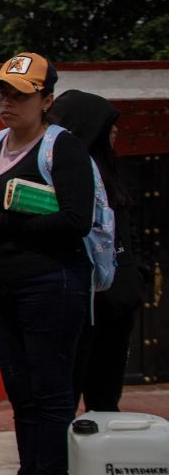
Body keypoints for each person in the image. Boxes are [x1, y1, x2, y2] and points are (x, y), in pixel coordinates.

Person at [0, 52, 93, 475]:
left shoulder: (64, 148)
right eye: (3, 92)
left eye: (20, 95)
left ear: (47, 99)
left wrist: (1, 222)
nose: (7, 102)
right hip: (1, 286)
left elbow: (77, 221)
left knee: (50, 391)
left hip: (51, 283)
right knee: (21, 391)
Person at [49, 90, 144, 412]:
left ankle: (100, 459)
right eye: (108, 126)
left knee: (104, 393)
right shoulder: (68, 173)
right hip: (79, 295)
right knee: (66, 392)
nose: (115, 132)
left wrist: (133, 274)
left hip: (115, 299)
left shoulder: (112, 171)